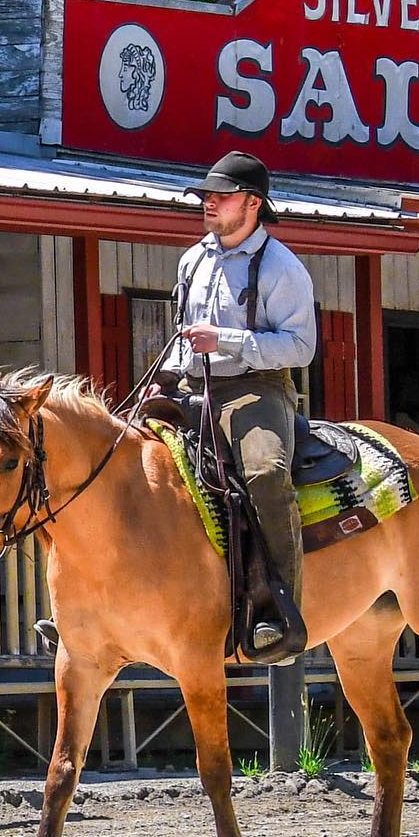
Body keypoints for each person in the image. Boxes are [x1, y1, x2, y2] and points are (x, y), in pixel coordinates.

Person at [167, 151, 317, 659]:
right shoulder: (192, 260)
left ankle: (281, 614)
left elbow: (301, 347)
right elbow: (184, 337)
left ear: (252, 204)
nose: (209, 201)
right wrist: (166, 375)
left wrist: (227, 339)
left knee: (266, 475)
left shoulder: (282, 267)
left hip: (256, 389)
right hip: (192, 387)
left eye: (222, 194)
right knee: (119, 453)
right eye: (207, 194)